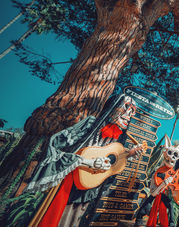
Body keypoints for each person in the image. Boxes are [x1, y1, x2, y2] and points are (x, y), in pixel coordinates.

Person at [24, 94, 144, 227]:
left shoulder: (119, 138)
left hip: (88, 188)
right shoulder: (90, 124)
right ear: (113, 106)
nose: (129, 114)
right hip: (68, 184)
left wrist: (129, 154)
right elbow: (54, 145)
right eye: (126, 107)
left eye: (133, 111)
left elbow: (111, 161)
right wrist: (86, 162)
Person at [134, 136, 179, 227]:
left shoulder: (172, 173)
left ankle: (171, 223)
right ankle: (139, 221)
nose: (172, 157)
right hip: (154, 194)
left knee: (170, 205)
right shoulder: (157, 171)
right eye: (170, 153)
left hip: (162, 195)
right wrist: (163, 184)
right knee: (146, 208)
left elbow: (175, 188)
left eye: (175, 155)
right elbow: (153, 193)